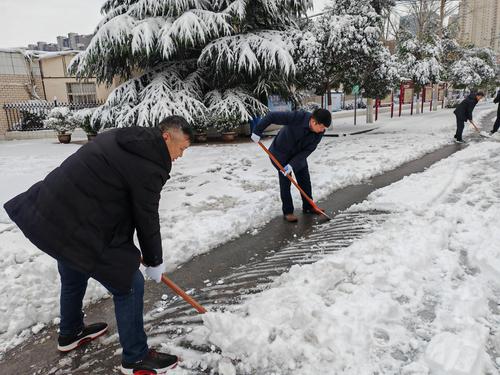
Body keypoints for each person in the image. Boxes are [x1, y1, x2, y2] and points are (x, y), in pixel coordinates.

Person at [3, 116, 193, 375]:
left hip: (53, 208)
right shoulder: (150, 165)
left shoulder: (124, 137)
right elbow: (146, 216)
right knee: (130, 284)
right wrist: (154, 259)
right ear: (166, 136)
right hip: (77, 219)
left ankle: (70, 332)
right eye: (181, 147)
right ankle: (136, 359)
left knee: (73, 267)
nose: (181, 155)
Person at [251, 108, 331, 222]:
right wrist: (257, 130)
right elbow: (272, 116)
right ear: (314, 122)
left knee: (305, 180)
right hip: (280, 153)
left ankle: (309, 207)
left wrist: (292, 165)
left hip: (298, 156)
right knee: (285, 180)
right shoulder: (298, 117)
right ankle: (288, 212)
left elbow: (307, 150)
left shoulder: (319, 133)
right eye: (322, 127)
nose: (323, 130)